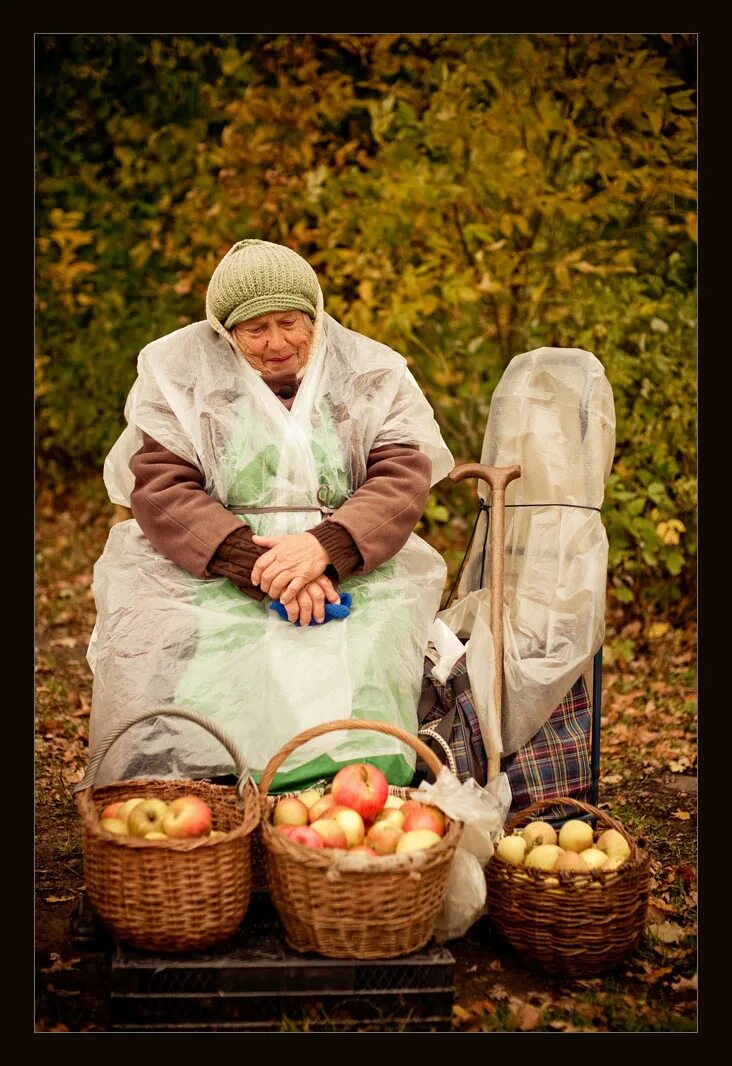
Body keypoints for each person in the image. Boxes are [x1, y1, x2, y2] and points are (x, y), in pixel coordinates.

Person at [87, 239, 454, 792]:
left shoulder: (367, 378)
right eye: (255, 329)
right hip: (220, 560)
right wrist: (257, 566)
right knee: (191, 640)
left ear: (316, 317)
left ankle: (352, 789)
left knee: (372, 639)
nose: (277, 342)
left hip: (347, 560)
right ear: (226, 332)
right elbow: (162, 489)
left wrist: (326, 550)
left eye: (290, 322)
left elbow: (400, 479)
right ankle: (211, 784)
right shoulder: (185, 382)